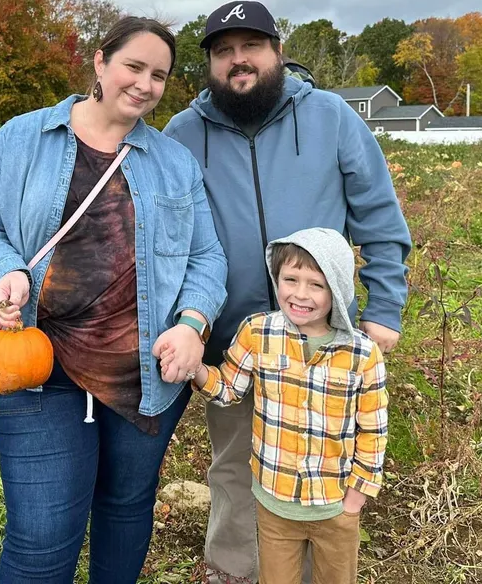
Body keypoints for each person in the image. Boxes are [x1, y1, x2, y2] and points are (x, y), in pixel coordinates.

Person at [0, 16, 228, 584]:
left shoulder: (174, 162)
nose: (145, 84)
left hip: (145, 371)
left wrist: (192, 324)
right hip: (39, 366)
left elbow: (209, 257)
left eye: (159, 75)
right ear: (100, 61)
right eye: (134, 66)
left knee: (126, 509)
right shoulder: (23, 138)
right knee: (42, 534)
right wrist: (4, 269)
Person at [163, 0, 411, 584]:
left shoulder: (328, 117)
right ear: (210, 64)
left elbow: (378, 214)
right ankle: (233, 568)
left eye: (251, 46)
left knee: (321, 459)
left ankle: (308, 570)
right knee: (234, 463)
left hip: (325, 341)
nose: (238, 60)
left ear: (277, 52)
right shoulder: (184, 132)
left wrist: (386, 309)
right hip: (233, 341)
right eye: (223, 51)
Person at [161, 228, 388, 584]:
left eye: (316, 284)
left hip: (334, 504)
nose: (300, 294)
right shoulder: (258, 332)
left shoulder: (362, 353)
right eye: (290, 279)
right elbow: (228, 389)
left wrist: (355, 498)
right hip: (274, 504)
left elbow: (373, 429)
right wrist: (196, 369)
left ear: (338, 289)